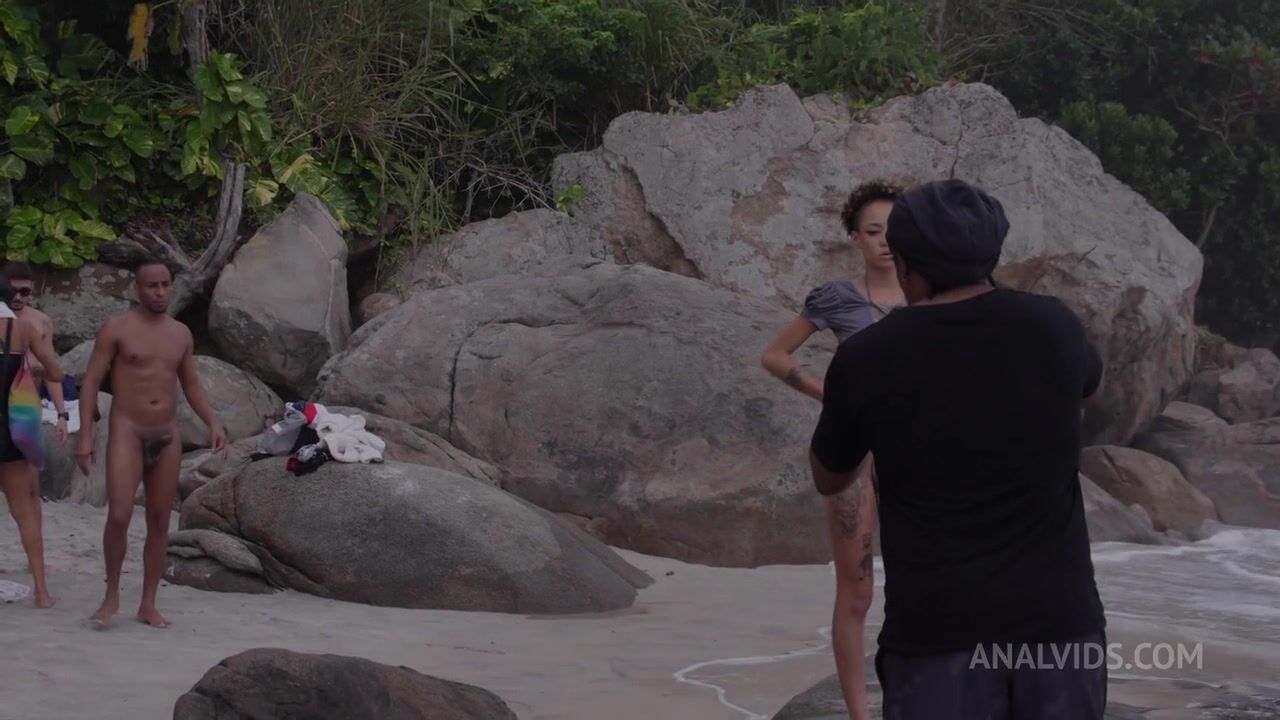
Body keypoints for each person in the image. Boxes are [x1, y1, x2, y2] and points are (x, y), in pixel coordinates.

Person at [809, 179, 1107, 719]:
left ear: (905, 266)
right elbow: (1092, 390)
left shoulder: (869, 356)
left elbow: (830, 476)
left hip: (938, 635)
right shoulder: (1055, 326)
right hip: (1061, 628)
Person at [761, 180, 906, 719]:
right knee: (857, 592)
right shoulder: (839, 298)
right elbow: (775, 355)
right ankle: (860, 714)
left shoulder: (933, 296)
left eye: (894, 230)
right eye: (873, 231)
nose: (885, 241)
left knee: (920, 585)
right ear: (855, 238)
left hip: (918, 454)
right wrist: (831, 395)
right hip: (855, 456)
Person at [76, 260, 227, 629]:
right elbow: (91, 381)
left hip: (167, 433)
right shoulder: (117, 329)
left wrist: (212, 421)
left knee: (159, 520)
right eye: (152, 286)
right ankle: (111, 595)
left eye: (165, 285)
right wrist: (85, 435)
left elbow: (190, 383)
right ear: (137, 289)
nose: (160, 292)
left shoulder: (180, 333)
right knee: (119, 514)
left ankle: (148, 603)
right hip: (128, 430)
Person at [0, 276, 68, 609]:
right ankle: (41, 592)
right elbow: (56, 373)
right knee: (25, 509)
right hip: (9, 428)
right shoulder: (22, 329)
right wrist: (30, 369)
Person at [2, 263, 56, 392]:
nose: (17, 297)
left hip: (27, 395)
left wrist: (60, 406)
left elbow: (50, 364)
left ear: (32, 287)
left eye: (24, 292)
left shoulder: (42, 321)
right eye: (12, 291)